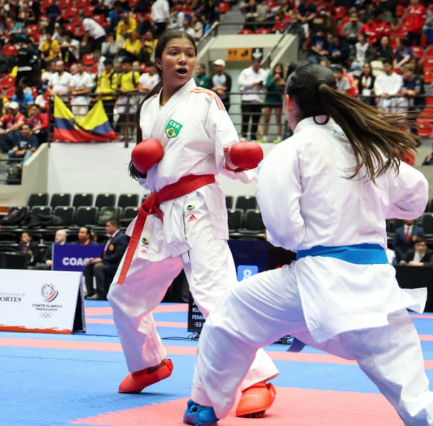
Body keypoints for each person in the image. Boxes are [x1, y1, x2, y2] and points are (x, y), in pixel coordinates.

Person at [185, 63, 433, 426]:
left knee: (229, 314)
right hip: (376, 285)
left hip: (317, 278)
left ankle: (205, 405)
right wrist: (370, 207)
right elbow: (415, 198)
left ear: (288, 103)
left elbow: (285, 232)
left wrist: (311, 230)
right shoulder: (369, 149)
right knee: (417, 401)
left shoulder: (291, 150)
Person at [108, 30, 279, 418]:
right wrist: (138, 166)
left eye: (189, 53)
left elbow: (227, 150)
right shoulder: (148, 107)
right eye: (174, 53)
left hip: (198, 204)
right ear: (159, 61)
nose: (183, 59)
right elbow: (146, 170)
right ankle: (148, 364)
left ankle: (256, 380)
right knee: (123, 295)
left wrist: (238, 158)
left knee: (215, 295)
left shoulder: (205, 100)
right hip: (160, 210)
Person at [85, 219, 128, 301]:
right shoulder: (112, 237)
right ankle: (91, 292)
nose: (106, 228)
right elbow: (105, 253)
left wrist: (102, 260)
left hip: (116, 265)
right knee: (88, 266)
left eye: (108, 226)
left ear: (115, 226)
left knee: (98, 267)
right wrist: (96, 259)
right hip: (108, 263)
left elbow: (117, 256)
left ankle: (101, 294)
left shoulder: (121, 237)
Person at [238, 59, 268, 141]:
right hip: (247, 99)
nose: (257, 66)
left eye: (258, 65)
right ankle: (243, 136)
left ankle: (253, 137)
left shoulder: (264, 72)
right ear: (252, 64)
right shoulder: (245, 71)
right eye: (255, 65)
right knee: (245, 118)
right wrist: (252, 83)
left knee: (256, 119)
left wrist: (261, 84)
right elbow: (240, 83)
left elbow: (266, 83)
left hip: (258, 100)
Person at [261, 63, 285, 143]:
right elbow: (267, 86)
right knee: (266, 119)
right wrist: (274, 79)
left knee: (278, 119)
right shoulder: (270, 76)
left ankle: (279, 137)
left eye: (279, 69)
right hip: (269, 100)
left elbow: (284, 91)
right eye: (277, 68)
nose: (278, 70)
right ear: (274, 69)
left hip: (278, 100)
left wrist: (282, 85)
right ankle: (264, 137)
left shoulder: (283, 78)